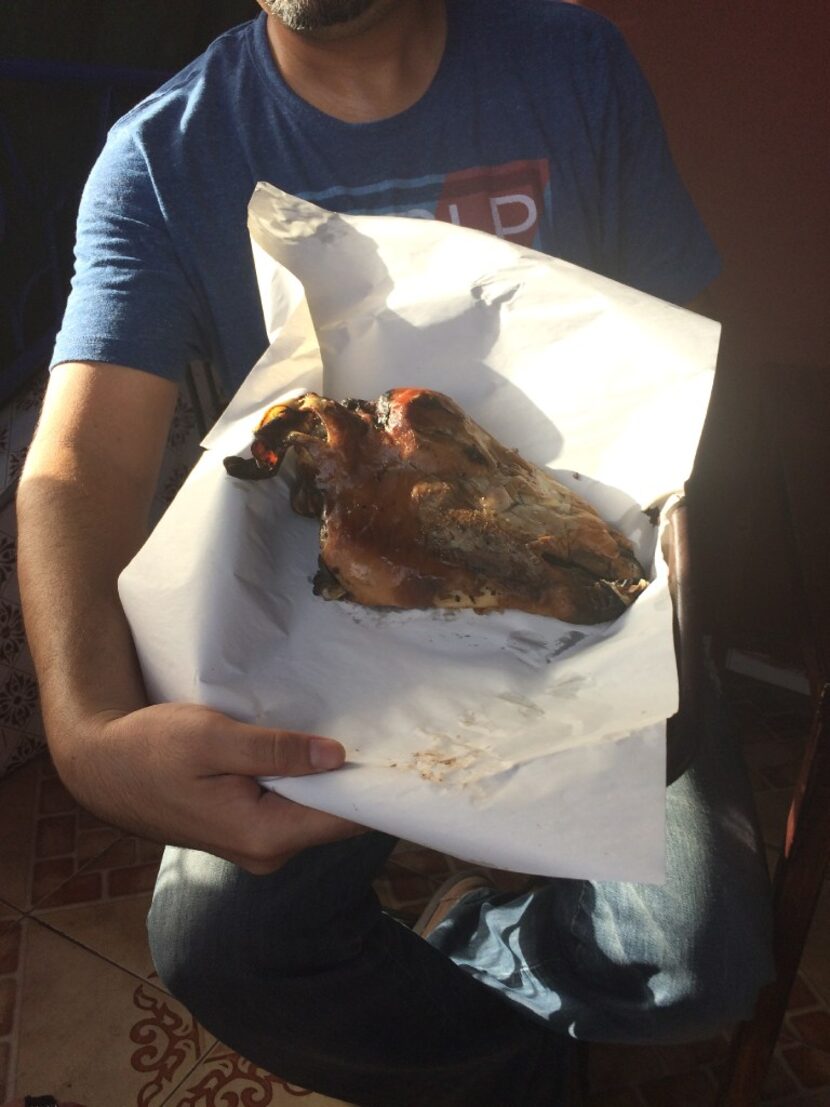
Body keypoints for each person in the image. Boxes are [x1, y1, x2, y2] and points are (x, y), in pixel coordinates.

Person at [17, 1, 773, 1104]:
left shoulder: (570, 59)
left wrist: (680, 559)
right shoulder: (161, 155)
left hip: (593, 616)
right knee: (220, 942)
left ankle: (488, 939)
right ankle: (518, 1077)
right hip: (328, 654)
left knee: (695, 968)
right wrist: (82, 730)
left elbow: (681, 362)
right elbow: (77, 465)